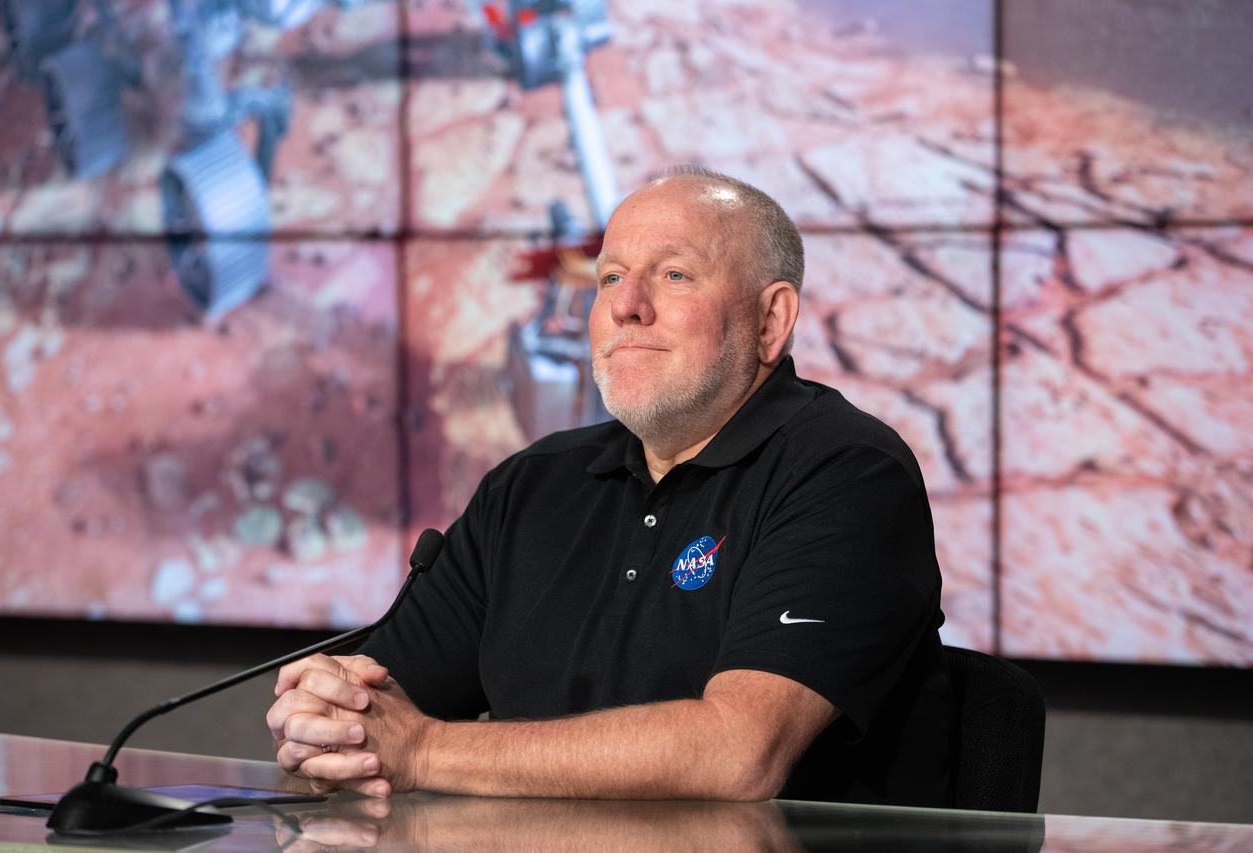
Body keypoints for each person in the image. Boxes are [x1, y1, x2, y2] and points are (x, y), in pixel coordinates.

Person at [265, 167, 952, 805]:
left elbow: (740, 755)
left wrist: (424, 749)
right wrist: (324, 714)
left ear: (770, 321)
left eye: (675, 274)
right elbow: (369, 709)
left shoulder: (849, 473)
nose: (626, 305)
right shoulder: (530, 486)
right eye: (610, 276)